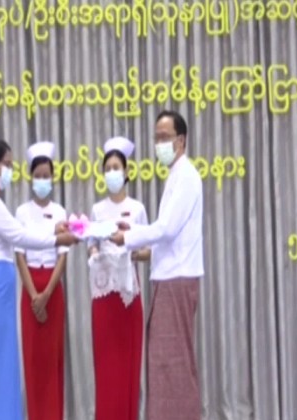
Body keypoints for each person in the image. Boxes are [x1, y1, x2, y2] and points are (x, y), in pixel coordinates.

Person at [0, 136, 79, 420]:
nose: (10, 171)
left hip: (0, 292)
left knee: (4, 369)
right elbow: (19, 236)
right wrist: (57, 237)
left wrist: (55, 230)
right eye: (7, 165)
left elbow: (21, 232)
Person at [108, 111, 204, 420]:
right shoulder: (176, 175)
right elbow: (167, 236)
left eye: (165, 137)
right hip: (169, 277)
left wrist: (128, 237)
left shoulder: (186, 176)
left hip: (177, 279)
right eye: (156, 138)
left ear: (181, 140)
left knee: (172, 364)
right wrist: (138, 241)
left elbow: (167, 229)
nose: (159, 144)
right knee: (165, 364)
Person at [87, 136, 150, 420]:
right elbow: (91, 244)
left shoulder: (137, 209)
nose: (112, 173)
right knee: (106, 368)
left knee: (128, 367)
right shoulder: (97, 210)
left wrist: (131, 254)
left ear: (126, 172)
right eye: (107, 168)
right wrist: (95, 255)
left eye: (116, 167)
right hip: (104, 297)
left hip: (128, 296)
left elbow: (149, 249)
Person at [14, 141, 68, 420]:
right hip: (30, 287)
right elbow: (19, 255)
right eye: (38, 176)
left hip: (53, 288)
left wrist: (46, 294)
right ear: (31, 178)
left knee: (52, 361)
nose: (42, 180)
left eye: (47, 175)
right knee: (34, 361)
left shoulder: (60, 212)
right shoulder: (21, 212)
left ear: (53, 177)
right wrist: (34, 295)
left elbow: (63, 257)